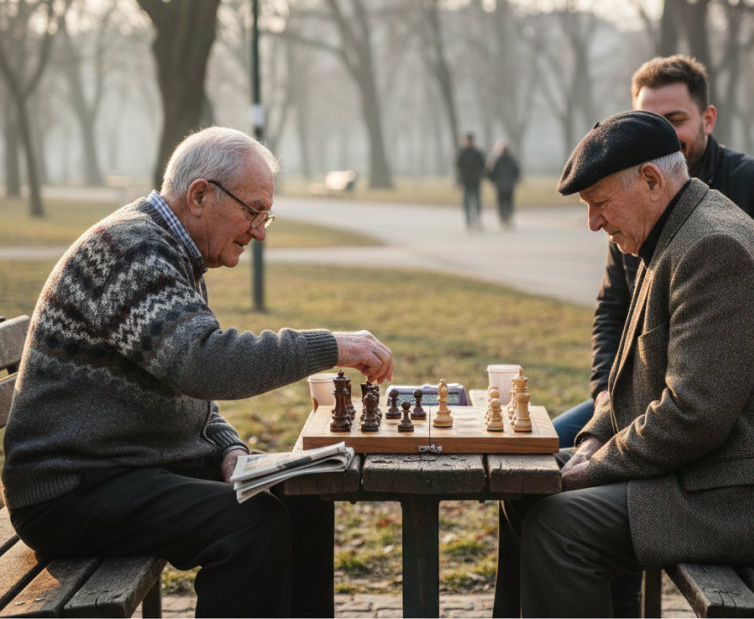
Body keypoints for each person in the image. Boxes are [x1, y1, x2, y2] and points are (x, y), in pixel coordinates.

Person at [1, 127, 394, 618]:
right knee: (251, 525)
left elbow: (188, 385)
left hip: (132, 465)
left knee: (304, 497)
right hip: (73, 489)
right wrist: (331, 346)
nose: (260, 231)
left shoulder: (172, 251)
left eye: (265, 215)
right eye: (253, 211)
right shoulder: (132, 250)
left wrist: (228, 449)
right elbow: (203, 363)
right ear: (200, 195)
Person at [506, 110, 754, 617]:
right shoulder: (674, 231)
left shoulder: (715, 247)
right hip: (704, 473)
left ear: (652, 181)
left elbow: (693, 413)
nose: (593, 222)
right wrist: (592, 440)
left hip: (746, 501)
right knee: (522, 491)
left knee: (560, 526)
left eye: (599, 203)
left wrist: (596, 469)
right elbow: (630, 378)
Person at [486, 141, 521, 230]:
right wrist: (515, 180)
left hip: (500, 185)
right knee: (509, 202)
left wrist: (493, 181)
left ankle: (502, 219)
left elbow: (491, 172)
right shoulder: (512, 160)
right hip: (509, 185)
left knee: (501, 203)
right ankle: (509, 217)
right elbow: (517, 172)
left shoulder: (496, 160)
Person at [456, 133, 486, 231]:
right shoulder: (461, 154)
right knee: (466, 203)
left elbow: (483, 166)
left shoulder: (477, 153)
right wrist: (459, 181)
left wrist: (481, 176)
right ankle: (468, 222)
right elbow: (458, 169)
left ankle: (477, 220)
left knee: (477, 202)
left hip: (476, 181)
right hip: (466, 182)